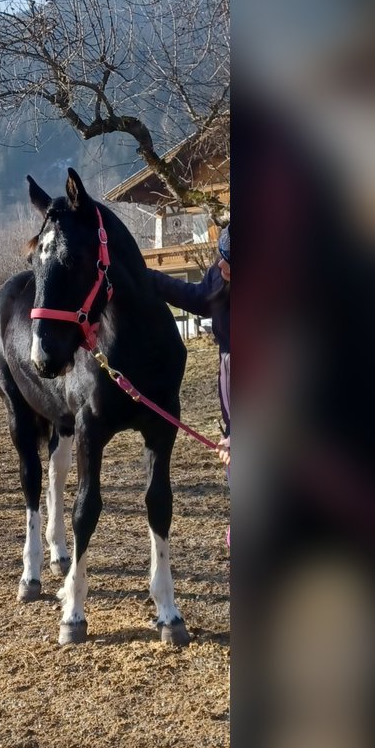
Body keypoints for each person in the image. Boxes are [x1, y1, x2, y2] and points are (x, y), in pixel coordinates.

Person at [148, 225, 231, 541]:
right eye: (221, 258)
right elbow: (198, 297)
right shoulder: (220, 275)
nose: (221, 267)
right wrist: (150, 279)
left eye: (230, 262)